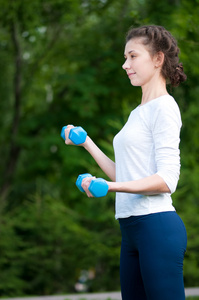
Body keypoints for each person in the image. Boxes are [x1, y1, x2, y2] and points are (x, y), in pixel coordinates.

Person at [64, 25, 187, 300]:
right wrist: (87, 143)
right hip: (130, 229)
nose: (125, 64)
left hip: (156, 226)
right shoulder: (138, 112)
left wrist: (107, 187)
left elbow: (167, 180)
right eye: (125, 57)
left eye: (132, 56)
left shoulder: (164, 108)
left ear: (157, 59)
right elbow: (128, 175)